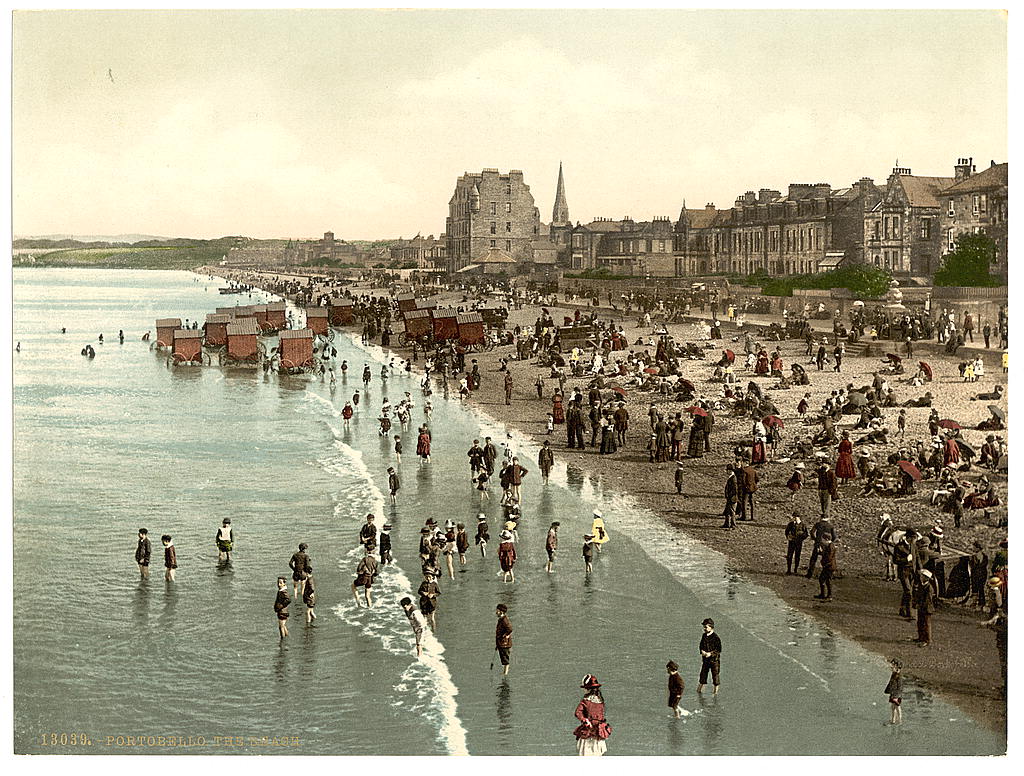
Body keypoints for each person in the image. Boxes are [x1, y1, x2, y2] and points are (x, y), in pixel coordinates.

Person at [573, 674, 611, 756]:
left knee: (586, 752)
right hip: (598, 732)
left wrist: (584, 720)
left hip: (589, 731)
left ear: (587, 689)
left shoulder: (586, 701)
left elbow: (577, 712)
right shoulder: (601, 701)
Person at [697, 618, 721, 694]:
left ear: (711, 627)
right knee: (703, 675)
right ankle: (699, 690)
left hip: (714, 661)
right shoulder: (704, 636)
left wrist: (710, 654)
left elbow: (718, 650)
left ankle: (715, 693)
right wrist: (702, 651)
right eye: (704, 627)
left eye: (706, 627)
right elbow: (700, 645)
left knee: (715, 677)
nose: (704, 629)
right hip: (705, 660)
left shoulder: (716, 638)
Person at [914, 569, 936, 646]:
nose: (921, 577)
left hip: (927, 608)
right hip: (921, 607)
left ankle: (928, 640)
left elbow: (928, 600)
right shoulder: (922, 585)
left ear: (926, 578)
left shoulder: (929, 588)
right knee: (920, 623)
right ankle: (921, 638)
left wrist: (920, 605)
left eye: (922, 576)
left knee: (927, 624)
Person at [815, 535, 837, 601]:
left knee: (827, 580)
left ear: (826, 539)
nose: (822, 541)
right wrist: (820, 552)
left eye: (823, 540)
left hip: (829, 566)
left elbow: (829, 557)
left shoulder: (831, 546)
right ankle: (824, 594)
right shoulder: (830, 546)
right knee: (822, 579)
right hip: (828, 566)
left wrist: (825, 564)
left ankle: (829, 596)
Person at [495, 603, 513, 676]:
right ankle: (504, 672)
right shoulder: (501, 619)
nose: (496, 612)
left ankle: (505, 673)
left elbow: (510, 629)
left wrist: (506, 635)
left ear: (501, 611)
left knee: (505, 658)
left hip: (504, 644)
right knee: (503, 657)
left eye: (497, 610)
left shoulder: (504, 620)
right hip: (501, 643)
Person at [884, 658, 903, 725]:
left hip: (896, 694)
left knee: (897, 707)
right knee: (893, 707)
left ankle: (899, 720)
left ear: (897, 666)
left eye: (893, 666)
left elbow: (900, 687)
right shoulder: (894, 674)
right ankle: (893, 720)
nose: (891, 667)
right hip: (893, 693)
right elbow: (891, 683)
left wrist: (897, 696)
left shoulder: (899, 676)